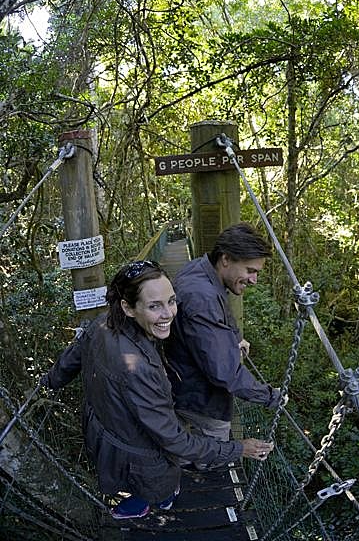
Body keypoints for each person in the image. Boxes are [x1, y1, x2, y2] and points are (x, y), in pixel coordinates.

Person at [43, 260, 273, 520]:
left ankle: (134, 506)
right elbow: (175, 441)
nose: (168, 314)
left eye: (171, 301)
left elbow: (71, 358)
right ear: (128, 308)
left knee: (131, 489)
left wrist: (48, 384)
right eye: (154, 306)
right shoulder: (138, 368)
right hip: (139, 456)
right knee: (158, 490)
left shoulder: (103, 323)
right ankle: (157, 502)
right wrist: (238, 448)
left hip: (105, 430)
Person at [164, 222, 280, 445]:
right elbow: (225, 373)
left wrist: (236, 337)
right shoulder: (201, 297)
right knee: (212, 461)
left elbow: (221, 305)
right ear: (226, 259)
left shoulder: (201, 270)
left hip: (184, 382)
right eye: (250, 271)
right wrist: (270, 396)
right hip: (201, 403)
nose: (254, 280)